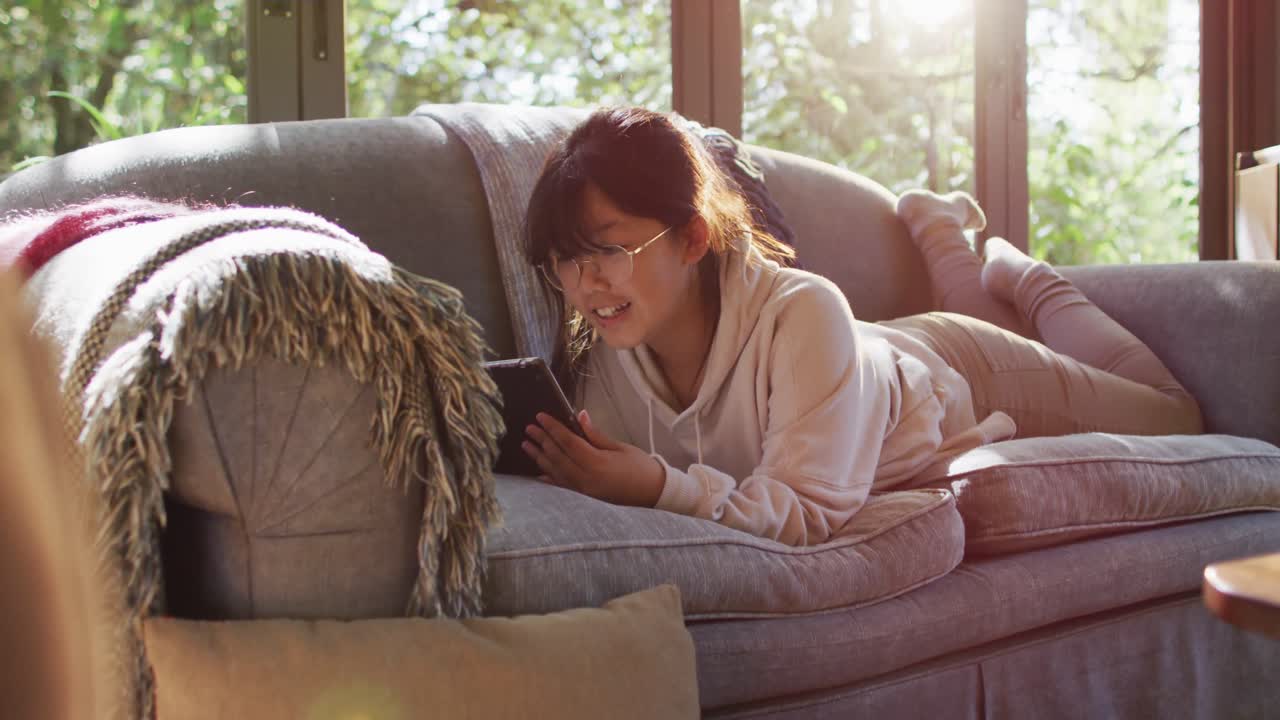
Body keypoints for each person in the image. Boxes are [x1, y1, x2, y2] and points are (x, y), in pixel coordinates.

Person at [520, 106, 1202, 547]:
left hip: (965, 373)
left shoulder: (802, 312)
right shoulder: (607, 360)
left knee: (1180, 417)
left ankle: (1029, 279)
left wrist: (659, 485)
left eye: (609, 250)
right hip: (873, 356)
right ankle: (942, 231)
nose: (586, 286)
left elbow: (807, 511)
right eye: (566, 260)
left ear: (693, 237)